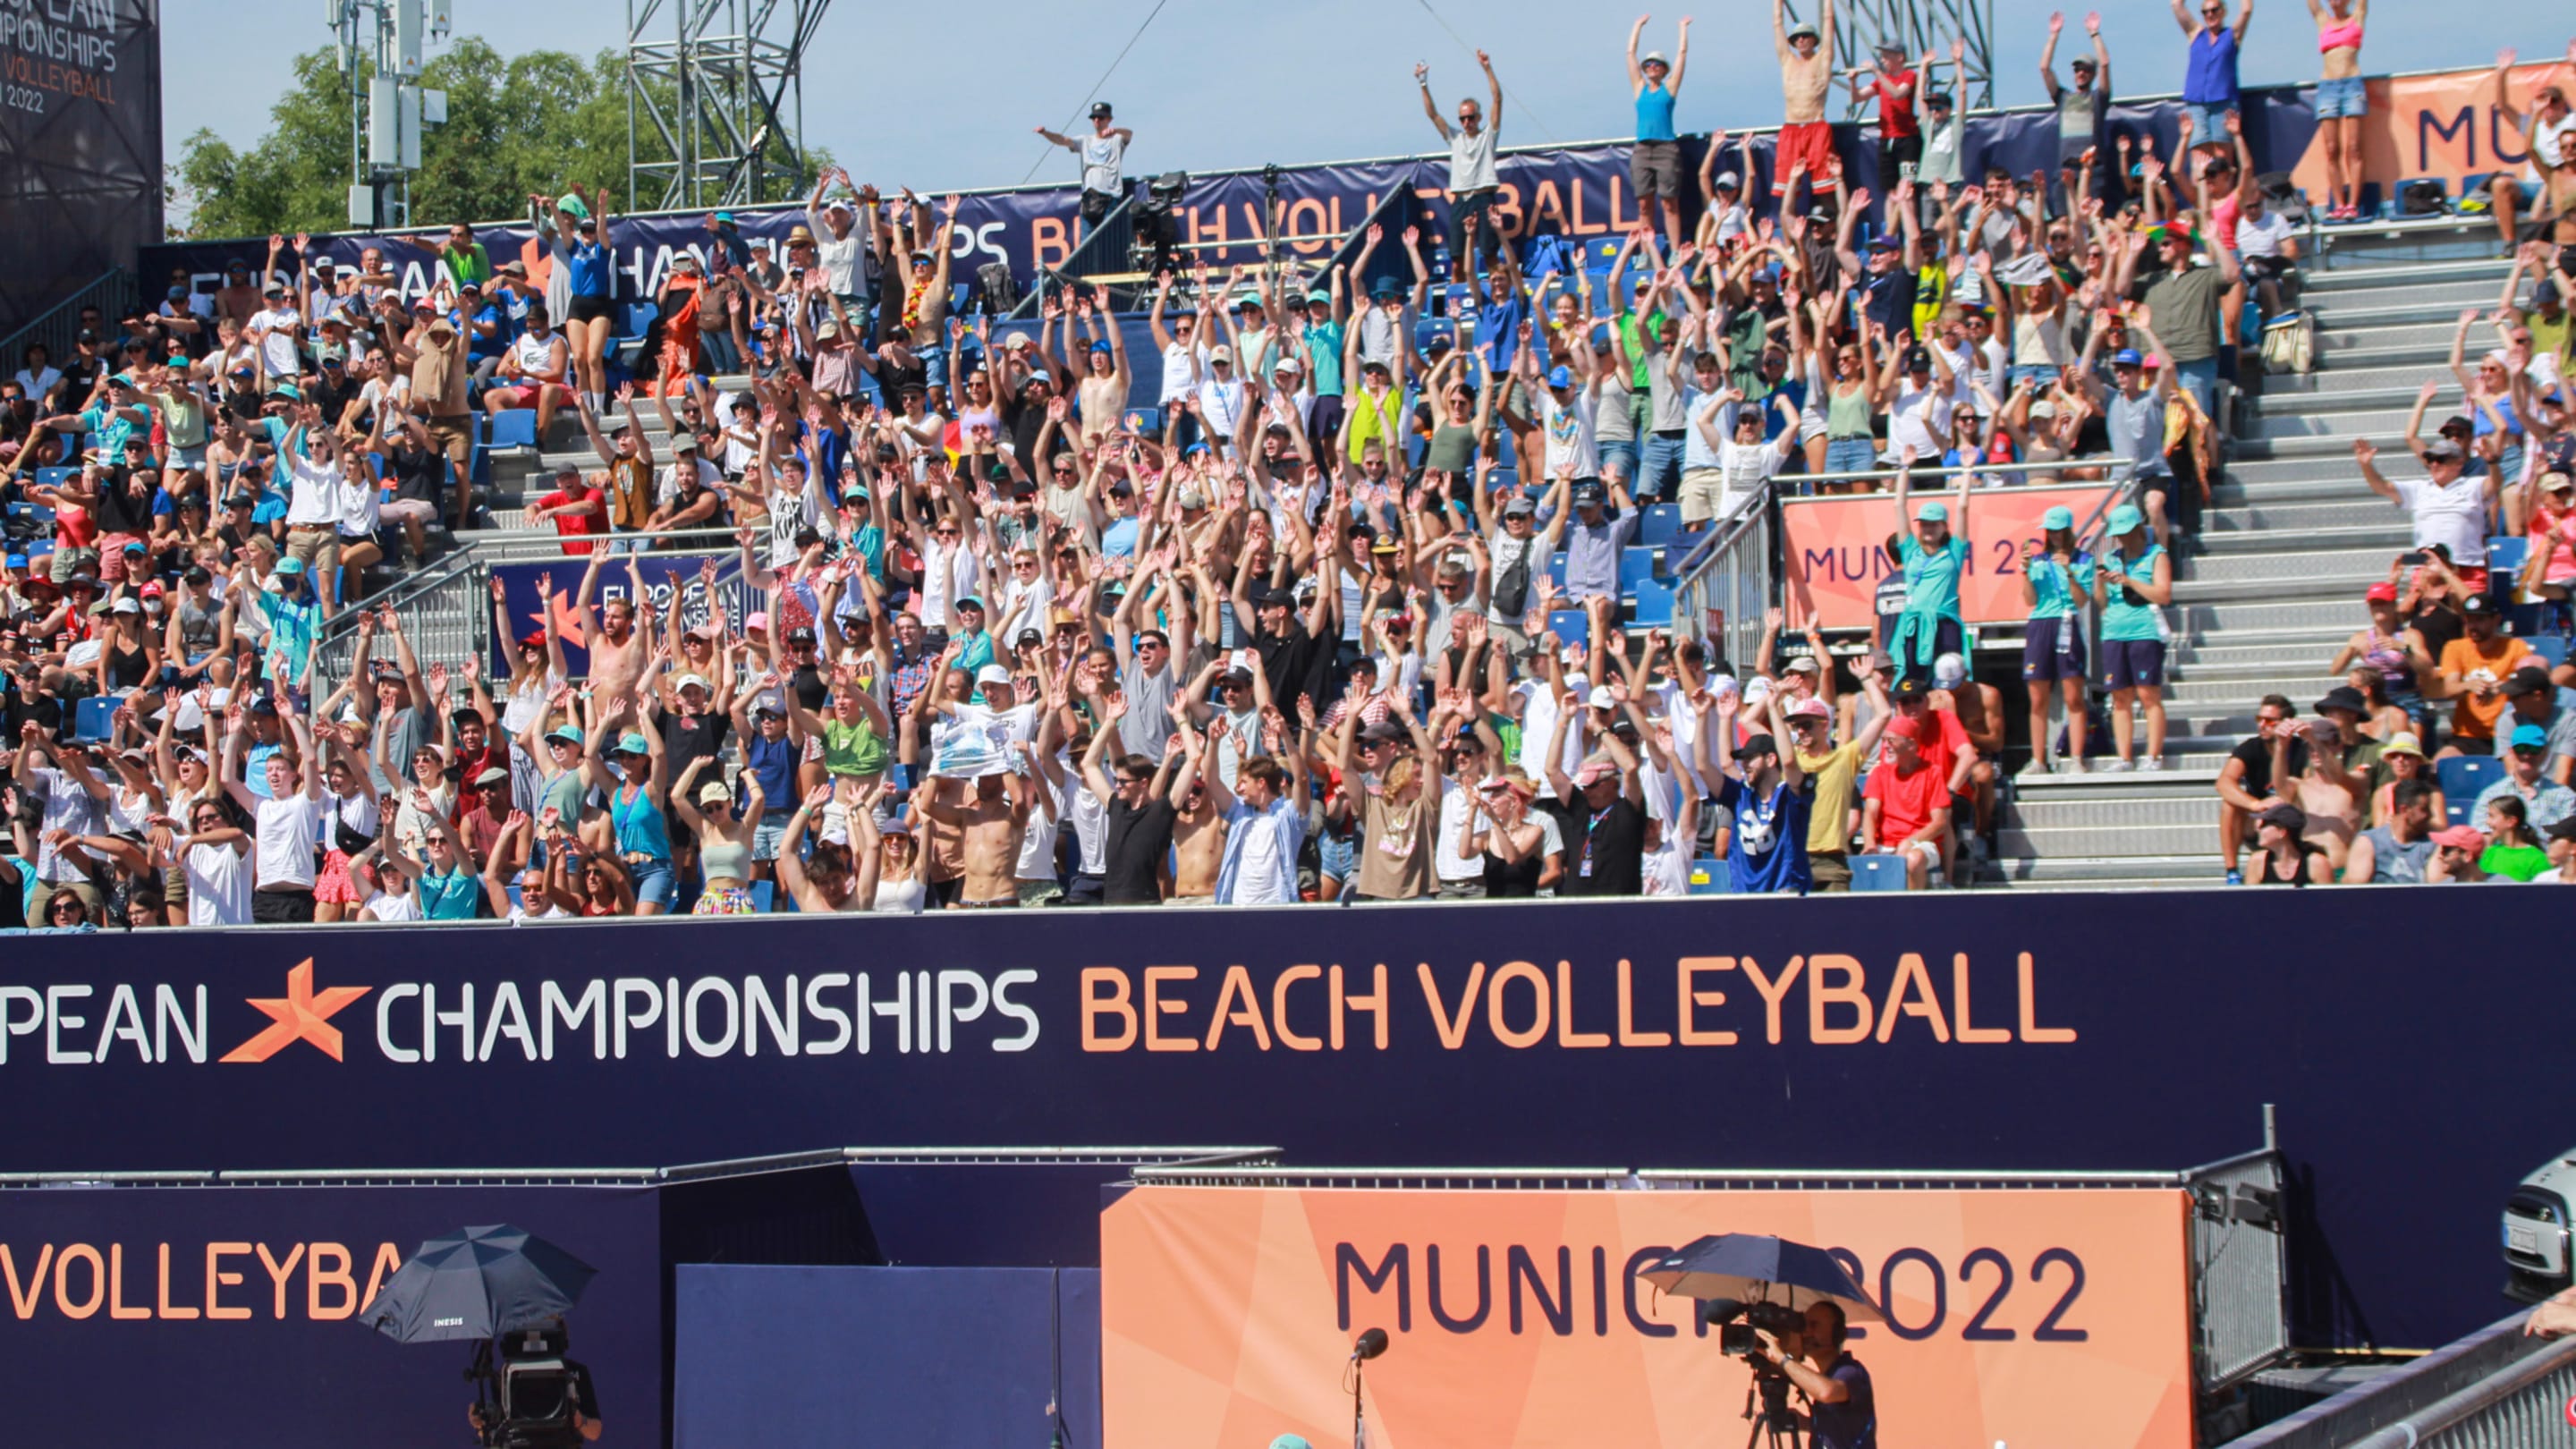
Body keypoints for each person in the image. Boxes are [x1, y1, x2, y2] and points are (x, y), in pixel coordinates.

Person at [2092, 504, 2172, 771]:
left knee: (2149, 694)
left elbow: (2163, 594)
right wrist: (2100, 581)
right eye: (2119, 534)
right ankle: (2125, 757)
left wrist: (2129, 581)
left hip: (2144, 630)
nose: (2123, 538)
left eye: (2127, 532)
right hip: (2114, 631)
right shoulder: (2113, 558)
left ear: (2139, 529)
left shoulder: (2156, 555)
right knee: (2119, 697)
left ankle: (2154, 755)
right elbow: (2101, 602)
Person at [2019, 504, 2095, 774]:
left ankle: (2076, 758)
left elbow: (2083, 599)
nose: (2053, 535)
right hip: (2041, 625)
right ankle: (2038, 760)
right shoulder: (2039, 561)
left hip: (2067, 622)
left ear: (2067, 531)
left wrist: (2071, 573)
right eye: (2049, 530)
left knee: (2074, 696)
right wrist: (2025, 572)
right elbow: (2030, 600)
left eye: (2058, 531)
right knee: (2037, 698)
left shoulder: (2084, 560)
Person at [1885, 455, 1973, 688]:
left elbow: (1963, 508)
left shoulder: (1953, 551)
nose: (1928, 528)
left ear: (1944, 526)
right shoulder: (1911, 550)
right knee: (1914, 683)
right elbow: (1898, 505)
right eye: (1924, 523)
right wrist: (1905, 467)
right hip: (1914, 624)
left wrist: (1966, 471)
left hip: (1944, 624)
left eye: (1934, 524)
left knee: (1949, 682)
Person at [1417, 50, 1504, 281]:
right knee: (1456, 259)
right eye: (1463, 118)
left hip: (1484, 197)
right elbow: (1433, 115)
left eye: (1471, 117)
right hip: (1461, 199)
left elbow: (1497, 99)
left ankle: (1498, 296)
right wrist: (1423, 83)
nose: (1467, 122)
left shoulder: (1488, 136)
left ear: (1478, 117)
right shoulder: (1455, 138)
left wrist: (1487, 68)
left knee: (1490, 255)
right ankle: (1458, 303)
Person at [1754, 1301, 1873, 1449]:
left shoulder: (1851, 1371)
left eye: (1814, 1325)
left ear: (1837, 1333)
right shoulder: (1826, 1377)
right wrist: (1807, 1423)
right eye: (1804, 1325)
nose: (1806, 1332)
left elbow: (1827, 1392)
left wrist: (1782, 1359)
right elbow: (1844, 1428)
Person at [1626, 16, 1692, 256]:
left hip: (1666, 148)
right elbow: (1630, 54)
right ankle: (1646, 252)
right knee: (1644, 205)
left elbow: (1682, 55)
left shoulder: (1669, 88)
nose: (1652, 66)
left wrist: (1682, 29)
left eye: (1657, 64)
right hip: (1643, 148)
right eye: (1649, 64)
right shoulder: (1639, 88)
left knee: (1669, 202)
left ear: (1664, 69)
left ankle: (1674, 250)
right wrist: (1637, 26)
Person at [1862, 713, 1951, 889]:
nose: (1885, 746)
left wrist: (1911, 841)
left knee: (1913, 858)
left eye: (1891, 741)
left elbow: (1940, 822)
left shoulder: (1932, 773)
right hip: (1885, 844)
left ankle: (1912, 909)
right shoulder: (1879, 773)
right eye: (1884, 740)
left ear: (1911, 744)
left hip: (1922, 842)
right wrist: (1869, 843)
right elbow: (1870, 813)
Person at [1769, 0, 1838, 208]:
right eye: (1797, 37)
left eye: (1805, 36)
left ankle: (1834, 231)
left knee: (1826, 188)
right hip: (1791, 127)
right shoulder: (1787, 60)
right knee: (1787, 189)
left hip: (1816, 125)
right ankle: (1792, 235)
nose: (1801, 40)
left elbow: (1829, 22)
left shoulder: (1823, 58)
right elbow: (1777, 25)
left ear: (1814, 40)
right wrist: (1777, 4)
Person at [1035, 102, 1134, 244]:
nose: (1097, 121)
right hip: (1090, 198)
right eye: (1094, 118)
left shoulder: (1116, 139)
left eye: (1101, 118)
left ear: (1109, 120)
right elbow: (1063, 140)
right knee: (1086, 243)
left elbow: (1129, 134)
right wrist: (1045, 133)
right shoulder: (1086, 141)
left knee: (1109, 239)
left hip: (1110, 197)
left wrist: (1115, 131)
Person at [2041, 12, 2113, 208]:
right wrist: (2053, 35)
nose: (2081, 73)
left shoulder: (2098, 98)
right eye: (2077, 69)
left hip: (2093, 169)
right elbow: (2045, 68)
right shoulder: (2063, 98)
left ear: (2093, 74)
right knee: (2064, 219)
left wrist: (2094, 34)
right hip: (2067, 169)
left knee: (2090, 217)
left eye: (2086, 69)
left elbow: (2105, 64)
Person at [2307, 0, 2368, 221]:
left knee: (2354, 148)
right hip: (2328, 87)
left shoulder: (2357, 17)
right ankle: (2339, 204)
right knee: (2331, 149)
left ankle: (2353, 204)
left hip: (2352, 84)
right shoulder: (2324, 20)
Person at [2174, 0, 2250, 142]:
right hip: (2196, 103)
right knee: (2199, 154)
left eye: (2214, 10)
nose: (2210, 14)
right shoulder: (2195, 33)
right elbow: (2176, 5)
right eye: (2205, 12)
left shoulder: (2232, 35)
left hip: (2224, 103)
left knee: (2223, 155)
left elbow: (2246, 11)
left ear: (2223, 11)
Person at [2346, 777, 2437, 884]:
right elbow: (2356, 891)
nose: (2431, 815)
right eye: (2424, 809)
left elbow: (2438, 890)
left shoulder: (2431, 846)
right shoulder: (2369, 842)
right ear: (2404, 810)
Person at [2249, 801, 2333, 885]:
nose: (2258, 829)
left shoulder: (2317, 863)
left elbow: (2327, 897)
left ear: (2282, 832)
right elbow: (2249, 897)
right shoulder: (2257, 861)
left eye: (2264, 825)